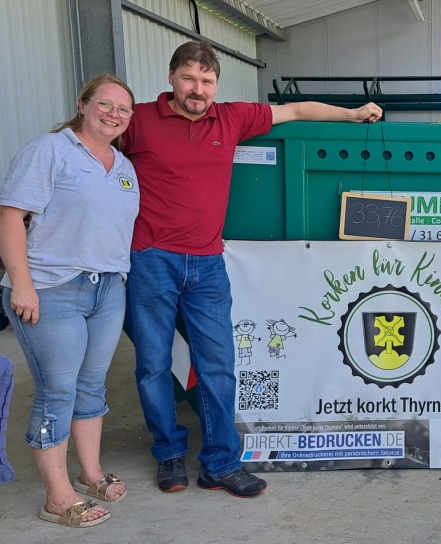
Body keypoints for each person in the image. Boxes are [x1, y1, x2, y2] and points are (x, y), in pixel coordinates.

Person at [122, 41, 382, 498]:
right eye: (189, 78)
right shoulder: (139, 120)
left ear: (216, 85)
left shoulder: (233, 117)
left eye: (206, 81)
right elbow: (91, 143)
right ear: (171, 78)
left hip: (207, 263)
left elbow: (297, 109)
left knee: (219, 365)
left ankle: (220, 463)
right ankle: (169, 454)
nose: (197, 89)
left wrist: (353, 113)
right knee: (152, 365)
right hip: (151, 259)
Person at [0, 74, 139, 527]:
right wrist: (22, 283)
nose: (114, 114)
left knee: (91, 385)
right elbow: (11, 216)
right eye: (105, 104)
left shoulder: (123, 166)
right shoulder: (51, 150)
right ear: (83, 104)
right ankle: (57, 498)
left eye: (124, 109)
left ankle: (89, 473)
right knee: (57, 390)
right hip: (52, 288)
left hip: (107, 289)